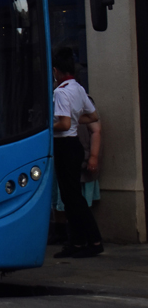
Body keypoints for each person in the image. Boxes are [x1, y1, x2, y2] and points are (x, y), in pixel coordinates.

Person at [51, 48, 104, 257]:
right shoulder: (78, 88)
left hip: (64, 145)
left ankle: (91, 241)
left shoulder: (60, 92)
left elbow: (63, 124)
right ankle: (80, 241)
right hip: (75, 146)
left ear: (56, 71)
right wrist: (74, 120)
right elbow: (93, 116)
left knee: (72, 198)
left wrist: (47, 126)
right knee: (72, 197)